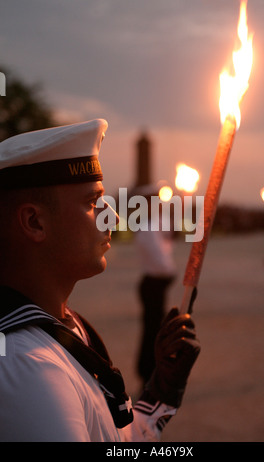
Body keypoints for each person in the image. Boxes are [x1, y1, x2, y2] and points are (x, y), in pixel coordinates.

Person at [0, 119, 200, 442]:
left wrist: (161, 392)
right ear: (35, 222)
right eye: (92, 203)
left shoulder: (60, 326)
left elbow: (115, 439)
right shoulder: (30, 368)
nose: (113, 217)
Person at [134, 184, 176, 384]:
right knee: (152, 332)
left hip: (155, 284)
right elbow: (161, 262)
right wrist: (172, 274)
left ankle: (151, 371)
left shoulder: (155, 223)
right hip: (152, 284)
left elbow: (169, 236)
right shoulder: (147, 228)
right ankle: (147, 373)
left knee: (155, 329)